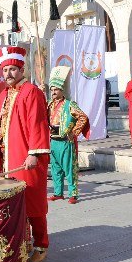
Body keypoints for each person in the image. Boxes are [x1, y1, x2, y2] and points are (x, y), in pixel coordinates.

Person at [0, 46, 51, 262]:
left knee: (32, 202)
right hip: (6, 158)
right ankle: (24, 242)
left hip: (26, 156)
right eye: (5, 70)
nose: (8, 74)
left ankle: (41, 244)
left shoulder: (31, 91)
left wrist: (34, 152)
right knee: (13, 203)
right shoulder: (3, 94)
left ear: (21, 70)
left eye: (13, 69)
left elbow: (38, 122)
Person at [47, 66, 89, 204]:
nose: (53, 92)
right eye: (52, 90)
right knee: (55, 169)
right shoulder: (49, 105)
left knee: (69, 169)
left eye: (56, 90)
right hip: (53, 141)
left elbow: (83, 117)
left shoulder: (70, 104)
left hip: (65, 141)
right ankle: (58, 192)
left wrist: (74, 132)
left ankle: (73, 193)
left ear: (62, 90)